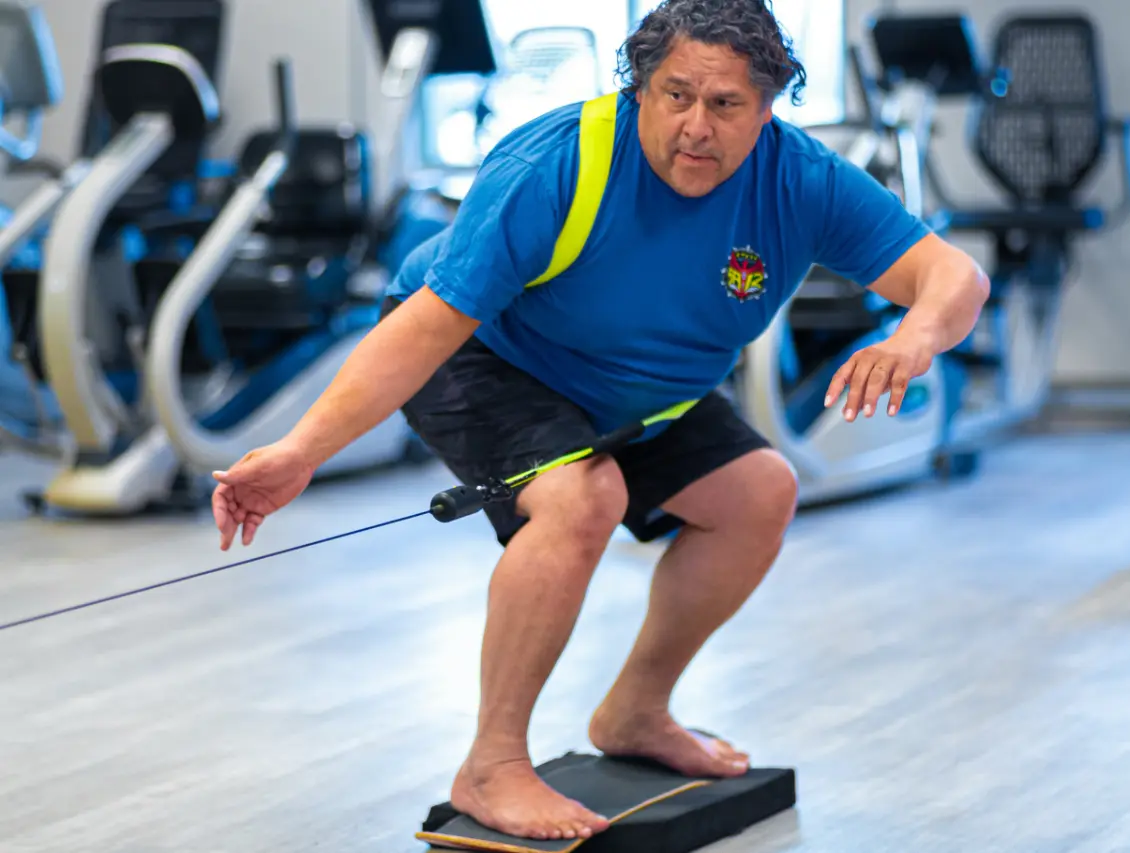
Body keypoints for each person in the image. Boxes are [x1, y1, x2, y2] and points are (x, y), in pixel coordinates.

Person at [209, 0, 990, 843]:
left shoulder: (801, 179)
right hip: (490, 356)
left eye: (726, 104)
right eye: (676, 95)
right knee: (582, 498)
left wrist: (912, 337)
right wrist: (301, 451)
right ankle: (491, 764)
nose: (696, 127)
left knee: (760, 492)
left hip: (642, 391)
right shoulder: (556, 162)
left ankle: (636, 711)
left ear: (767, 110)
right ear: (639, 89)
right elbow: (428, 327)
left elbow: (954, 276)